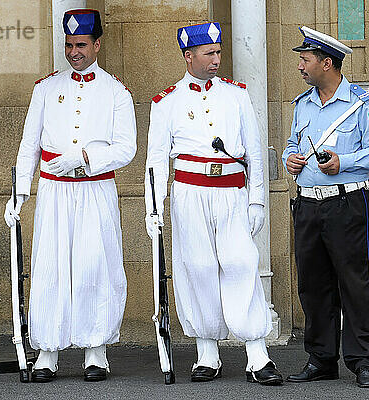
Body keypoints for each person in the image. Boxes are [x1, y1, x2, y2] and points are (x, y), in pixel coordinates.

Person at [144, 22, 282, 385]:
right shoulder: (167, 101)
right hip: (190, 194)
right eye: (209, 54)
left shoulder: (237, 94)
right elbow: (156, 161)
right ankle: (207, 353)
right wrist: (153, 208)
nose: (217, 59)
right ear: (189, 56)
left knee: (241, 263)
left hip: (232, 191)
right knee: (199, 267)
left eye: (219, 52)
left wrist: (257, 201)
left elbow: (254, 150)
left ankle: (257, 353)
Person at [3, 9, 136, 383]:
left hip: (95, 189)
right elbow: (29, 144)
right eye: (69, 45)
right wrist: (20, 193)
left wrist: (84, 158)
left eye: (81, 45)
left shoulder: (116, 92)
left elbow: (127, 148)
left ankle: (96, 352)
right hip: (54, 191)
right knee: (52, 266)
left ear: (96, 44)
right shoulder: (45, 88)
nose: (74, 52)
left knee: (96, 266)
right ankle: (47, 350)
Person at [282, 26, 369, 388]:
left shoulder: (363, 105)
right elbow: (290, 144)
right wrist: (291, 159)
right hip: (308, 204)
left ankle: (362, 361)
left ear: (326, 63)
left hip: (347, 203)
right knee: (312, 285)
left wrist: (342, 162)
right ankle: (321, 359)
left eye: (305, 59)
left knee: (354, 283)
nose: (300, 66)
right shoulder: (303, 104)